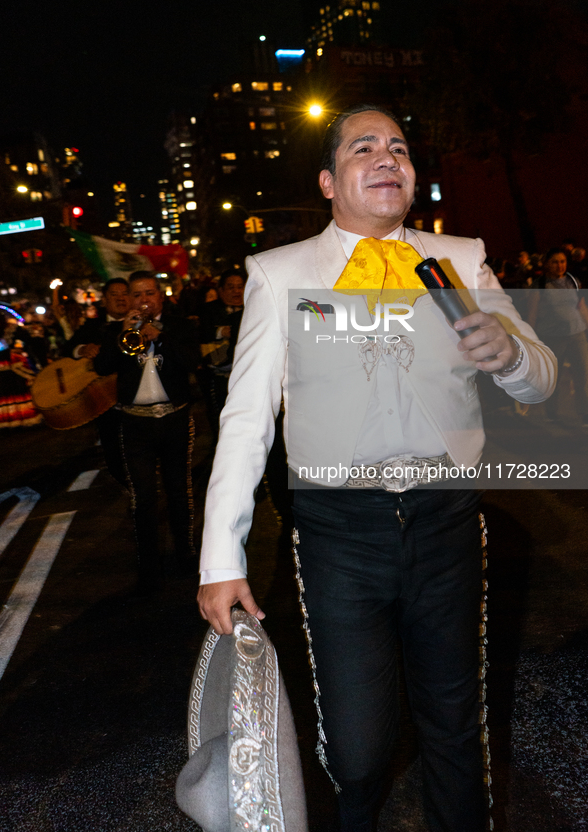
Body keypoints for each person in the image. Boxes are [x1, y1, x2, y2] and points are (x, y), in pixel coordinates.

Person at [197, 105, 556, 832]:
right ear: (330, 181)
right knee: (358, 748)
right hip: (340, 530)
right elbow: (245, 418)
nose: (386, 155)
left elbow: (540, 378)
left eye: (397, 146)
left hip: (446, 517)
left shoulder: (458, 256)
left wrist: (511, 353)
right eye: (364, 147)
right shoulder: (278, 273)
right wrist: (219, 556)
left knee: (455, 722)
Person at [94, 271, 199, 594]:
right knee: (143, 499)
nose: (143, 301)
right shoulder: (118, 329)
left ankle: (186, 556)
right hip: (135, 422)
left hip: (174, 419)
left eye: (149, 294)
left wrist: (161, 337)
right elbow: (101, 367)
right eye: (137, 295)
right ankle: (149, 567)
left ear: (161, 295)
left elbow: (194, 361)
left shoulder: (180, 325)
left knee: (178, 491)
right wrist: (123, 333)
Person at [62, 278, 129, 484]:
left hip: (137, 398)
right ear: (104, 300)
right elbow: (68, 349)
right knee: (113, 450)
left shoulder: (143, 321)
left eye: (124, 294)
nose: (120, 299)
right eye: (114, 295)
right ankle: (128, 487)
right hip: (106, 401)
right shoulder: (94, 326)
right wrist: (82, 349)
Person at [528, 247, 588, 425]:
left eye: (562, 261)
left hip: (577, 334)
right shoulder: (540, 285)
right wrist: (530, 339)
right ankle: (551, 412)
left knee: (583, 374)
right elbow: (533, 313)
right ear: (547, 264)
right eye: (555, 262)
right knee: (555, 376)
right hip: (552, 337)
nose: (559, 265)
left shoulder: (573, 281)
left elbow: (581, 307)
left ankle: (584, 413)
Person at [198, 268, 245, 436]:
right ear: (221, 290)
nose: (236, 291)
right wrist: (221, 332)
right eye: (231, 287)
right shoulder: (208, 310)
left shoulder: (254, 308)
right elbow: (199, 333)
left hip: (246, 376)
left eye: (240, 286)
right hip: (217, 377)